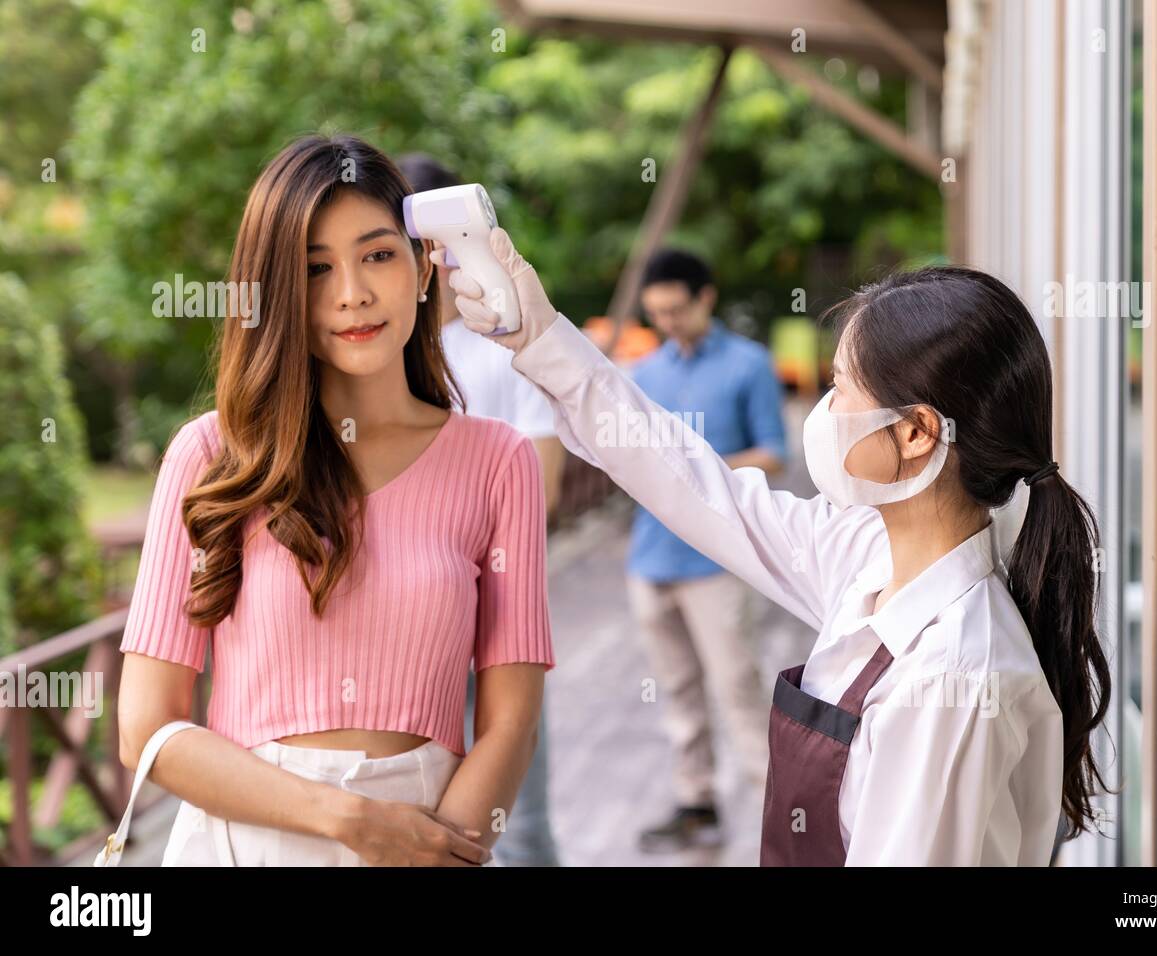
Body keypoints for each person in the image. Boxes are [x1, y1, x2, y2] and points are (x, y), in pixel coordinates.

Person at [439, 228, 1114, 865]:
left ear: (915, 434)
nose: (824, 410)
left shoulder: (952, 681)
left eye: (842, 386)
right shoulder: (866, 557)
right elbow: (694, 484)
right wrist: (540, 336)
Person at [115, 134, 555, 866]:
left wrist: (436, 846)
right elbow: (146, 730)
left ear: (424, 269)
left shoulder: (498, 462)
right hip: (244, 842)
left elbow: (511, 723)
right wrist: (351, 821)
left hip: (434, 837)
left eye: (377, 254)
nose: (351, 292)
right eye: (315, 269)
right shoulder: (211, 456)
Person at [397, 152, 564, 866]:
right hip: (399, 632)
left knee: (514, 821)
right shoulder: (376, 354)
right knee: (406, 802)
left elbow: (543, 485)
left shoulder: (506, 343)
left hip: (494, 616)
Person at [626, 249, 785, 852]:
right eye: (656, 313)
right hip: (650, 561)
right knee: (677, 691)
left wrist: (696, 469)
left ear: (706, 298)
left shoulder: (748, 365)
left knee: (737, 686)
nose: (667, 321)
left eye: (676, 309)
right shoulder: (645, 373)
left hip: (716, 562)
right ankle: (697, 804)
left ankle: (781, 816)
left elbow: (773, 453)